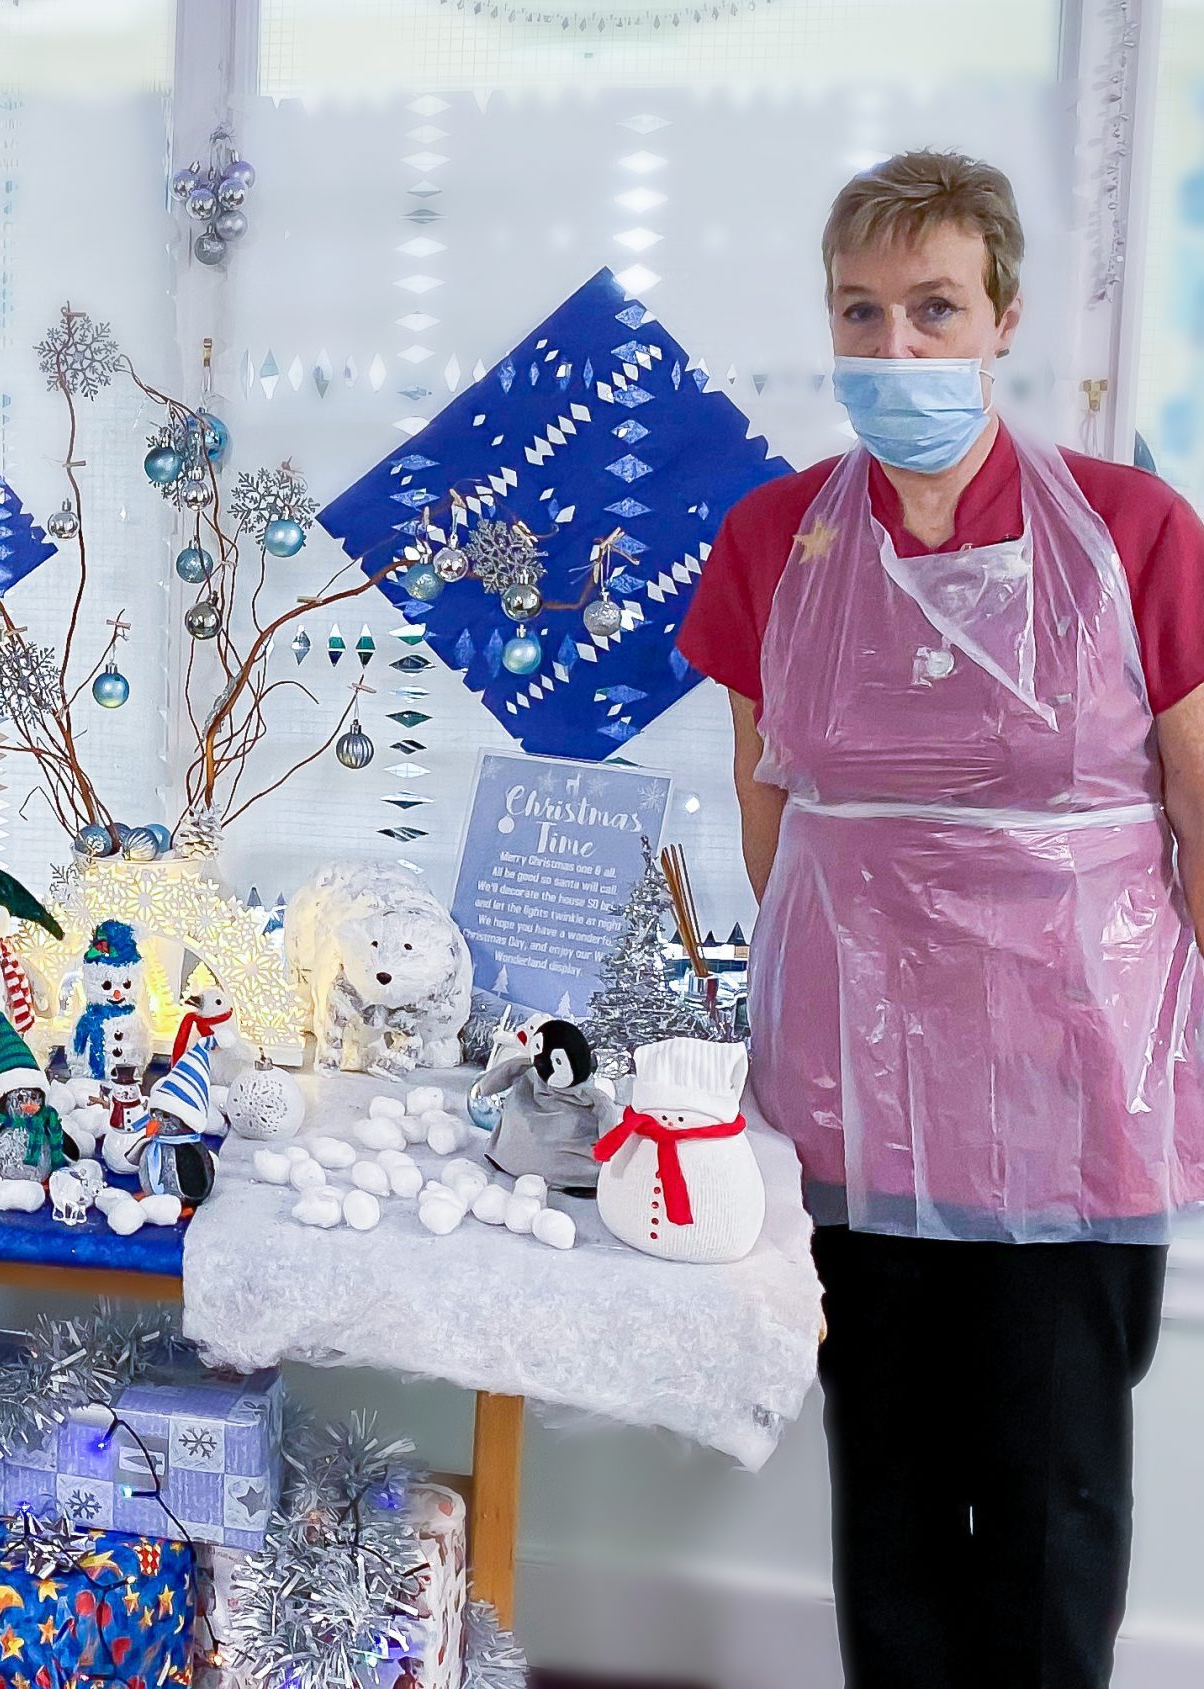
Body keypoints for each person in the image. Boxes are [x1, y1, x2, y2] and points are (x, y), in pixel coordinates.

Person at [680, 151, 1204, 1688]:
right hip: (859, 1101)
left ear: (1003, 317)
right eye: (863, 313)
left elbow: (1197, 796)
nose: (895, 349)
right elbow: (767, 799)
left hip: (1072, 1092)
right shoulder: (776, 541)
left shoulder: (1130, 532)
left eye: (933, 309)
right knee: (890, 1498)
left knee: (1054, 1499)